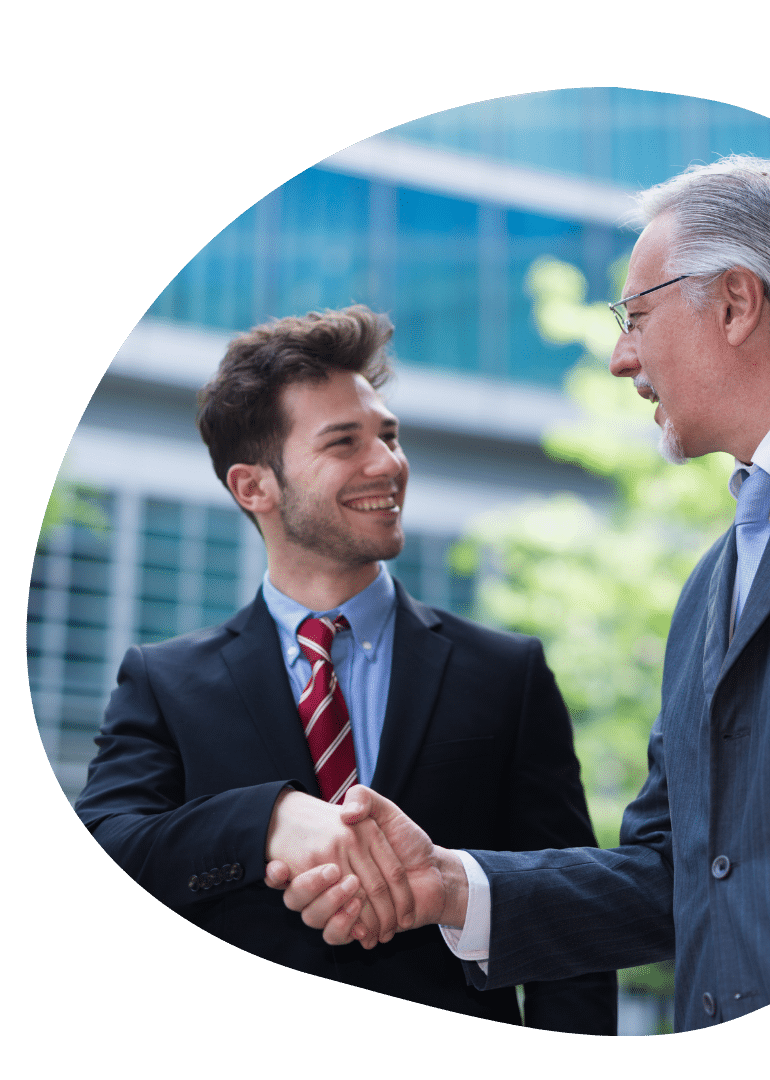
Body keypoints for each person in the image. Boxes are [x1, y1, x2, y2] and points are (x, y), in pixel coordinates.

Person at [275, 157, 770, 1033]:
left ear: (736, 303)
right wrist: (451, 885)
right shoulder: (707, 589)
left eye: (636, 317)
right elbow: (671, 873)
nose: (621, 359)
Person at [74, 305, 617, 1033]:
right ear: (254, 487)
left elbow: (571, 915)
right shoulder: (163, 683)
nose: (388, 464)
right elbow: (105, 851)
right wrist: (268, 820)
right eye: (344, 442)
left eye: (388, 435)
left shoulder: (506, 674)